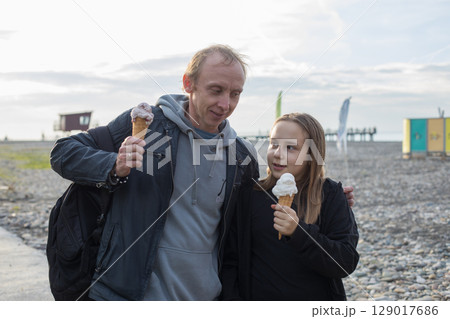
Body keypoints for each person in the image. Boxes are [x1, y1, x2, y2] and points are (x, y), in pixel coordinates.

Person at [50, 44, 354, 301]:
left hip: (206, 298)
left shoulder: (241, 155)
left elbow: (250, 216)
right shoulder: (149, 128)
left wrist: (325, 195)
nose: (226, 104)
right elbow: (64, 153)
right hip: (126, 294)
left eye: (235, 93)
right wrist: (114, 166)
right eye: (216, 90)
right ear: (188, 83)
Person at [221, 112, 359, 301]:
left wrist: (299, 231)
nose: (278, 153)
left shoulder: (330, 194)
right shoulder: (250, 195)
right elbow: (231, 261)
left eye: (291, 147)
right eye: (274, 144)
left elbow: (346, 261)